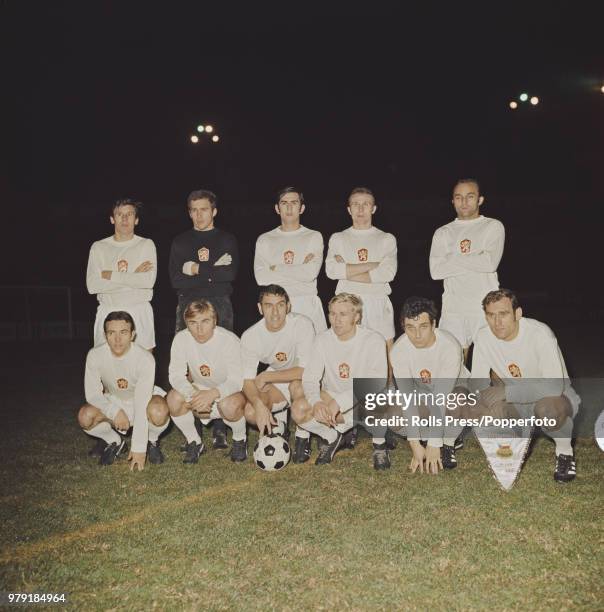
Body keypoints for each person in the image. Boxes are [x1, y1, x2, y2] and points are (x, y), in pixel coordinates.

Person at [470, 289, 580, 482]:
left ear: (517, 313)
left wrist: (506, 391)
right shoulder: (483, 337)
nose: (497, 322)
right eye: (491, 315)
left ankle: (564, 453)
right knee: (490, 409)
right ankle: (509, 451)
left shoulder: (540, 334)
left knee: (548, 411)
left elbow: (553, 387)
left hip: (555, 398)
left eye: (503, 314)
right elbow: (478, 383)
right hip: (517, 400)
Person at [169, 189, 239, 449]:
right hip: (187, 302)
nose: (199, 215)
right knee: (188, 363)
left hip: (220, 303)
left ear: (214, 211)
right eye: (194, 210)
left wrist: (194, 268)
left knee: (220, 359)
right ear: (189, 212)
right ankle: (194, 424)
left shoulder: (226, 239)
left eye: (204, 209)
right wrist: (213, 270)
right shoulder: (180, 241)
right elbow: (176, 279)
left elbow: (229, 273)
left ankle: (219, 426)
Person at [291, 293, 390, 469]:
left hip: (364, 401)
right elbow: (310, 378)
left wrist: (340, 402)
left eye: (343, 314)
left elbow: (377, 383)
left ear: (357, 317)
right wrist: (316, 402)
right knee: (299, 409)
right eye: (332, 313)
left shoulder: (373, 339)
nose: (336, 320)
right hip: (332, 399)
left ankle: (379, 445)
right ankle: (332, 437)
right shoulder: (322, 339)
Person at [77, 311, 169, 470]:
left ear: (133, 335)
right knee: (85, 417)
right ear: (105, 335)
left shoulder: (145, 358)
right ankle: (114, 441)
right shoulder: (95, 355)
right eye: (111, 333)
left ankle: (151, 440)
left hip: (143, 398)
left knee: (159, 411)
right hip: (114, 399)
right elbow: (92, 394)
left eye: (123, 332)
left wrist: (139, 448)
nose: (117, 339)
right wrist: (115, 411)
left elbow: (141, 403)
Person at [390, 297, 470, 474]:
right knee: (393, 415)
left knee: (456, 402)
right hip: (422, 390)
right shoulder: (399, 350)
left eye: (423, 327)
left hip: (452, 388)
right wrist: (414, 442)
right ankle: (430, 435)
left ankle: (448, 443)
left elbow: (440, 398)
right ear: (404, 327)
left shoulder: (449, 346)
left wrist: (435, 443)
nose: (417, 335)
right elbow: (407, 398)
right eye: (410, 328)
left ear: (434, 325)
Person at [429, 178, 505, 362]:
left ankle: (495, 392)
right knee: (453, 362)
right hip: (453, 308)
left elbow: (489, 263)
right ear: (452, 201)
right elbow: (436, 271)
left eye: (470, 196)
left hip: (485, 306)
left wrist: (451, 258)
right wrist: (476, 256)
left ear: (480, 199)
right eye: (459, 197)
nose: (464, 202)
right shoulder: (443, 232)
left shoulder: (493, 226)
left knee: (493, 361)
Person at [240, 285, 315, 463]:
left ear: (288, 306)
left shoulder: (302, 324)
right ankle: (279, 427)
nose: (275, 312)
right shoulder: (251, 336)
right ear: (260, 308)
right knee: (251, 411)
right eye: (268, 305)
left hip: (306, 376)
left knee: (297, 385)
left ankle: (303, 438)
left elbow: (305, 370)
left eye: (280, 305)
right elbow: (247, 380)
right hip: (279, 374)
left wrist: (268, 377)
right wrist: (258, 404)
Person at [167, 300, 247, 463]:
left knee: (229, 406)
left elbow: (237, 379)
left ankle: (240, 440)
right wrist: (194, 395)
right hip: (199, 390)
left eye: (205, 321)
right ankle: (194, 442)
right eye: (193, 323)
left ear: (214, 320)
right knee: (173, 398)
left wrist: (212, 394)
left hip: (228, 392)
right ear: (186, 324)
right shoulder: (181, 339)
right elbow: (175, 375)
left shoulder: (229, 340)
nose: (199, 329)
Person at [325, 187, 397, 348]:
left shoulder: (386, 238)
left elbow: (387, 273)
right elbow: (331, 271)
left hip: (377, 300)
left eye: (366, 204)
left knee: (385, 353)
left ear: (374, 208)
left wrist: (345, 271)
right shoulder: (338, 238)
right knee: (347, 354)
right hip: (346, 303)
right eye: (356, 204)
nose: (360, 208)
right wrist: (372, 265)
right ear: (349, 209)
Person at [86, 198, 157, 350]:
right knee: (106, 369)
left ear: (136, 220)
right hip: (108, 310)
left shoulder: (146, 244)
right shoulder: (99, 247)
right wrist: (133, 276)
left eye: (129, 214)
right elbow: (92, 286)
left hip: (138, 311)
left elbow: (147, 282)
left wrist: (110, 275)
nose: (124, 218)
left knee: (142, 367)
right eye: (119, 214)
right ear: (112, 219)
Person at [254, 186, 327, 333]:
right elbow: (261, 278)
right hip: (277, 306)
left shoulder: (313, 236)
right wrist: (299, 268)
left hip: (307, 304)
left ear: (302, 208)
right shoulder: (265, 239)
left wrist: (276, 268)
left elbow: (310, 274)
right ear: (277, 208)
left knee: (314, 354)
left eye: (294, 202)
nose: (289, 207)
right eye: (284, 203)